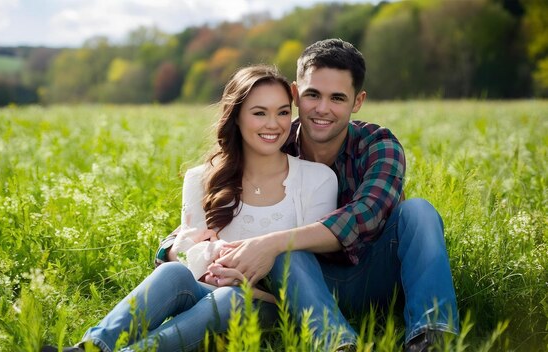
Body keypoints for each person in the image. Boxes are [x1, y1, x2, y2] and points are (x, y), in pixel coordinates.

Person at [156, 38, 460, 352]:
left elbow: (366, 214)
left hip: (374, 276)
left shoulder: (377, 144)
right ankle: (339, 345)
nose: (322, 109)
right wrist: (171, 250)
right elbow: (206, 205)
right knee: (290, 250)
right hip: (297, 284)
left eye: (338, 98)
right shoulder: (271, 143)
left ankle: (431, 337)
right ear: (295, 93)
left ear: (357, 101)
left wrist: (270, 242)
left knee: (419, 211)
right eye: (312, 94)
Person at [42, 64, 338, 352]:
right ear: (236, 117)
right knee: (172, 274)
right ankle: (90, 347)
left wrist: (243, 282)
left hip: (273, 307)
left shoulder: (316, 179)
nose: (274, 124)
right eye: (259, 113)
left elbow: (313, 280)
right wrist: (207, 266)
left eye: (283, 112)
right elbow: (187, 255)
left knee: (228, 298)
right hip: (208, 291)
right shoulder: (202, 178)